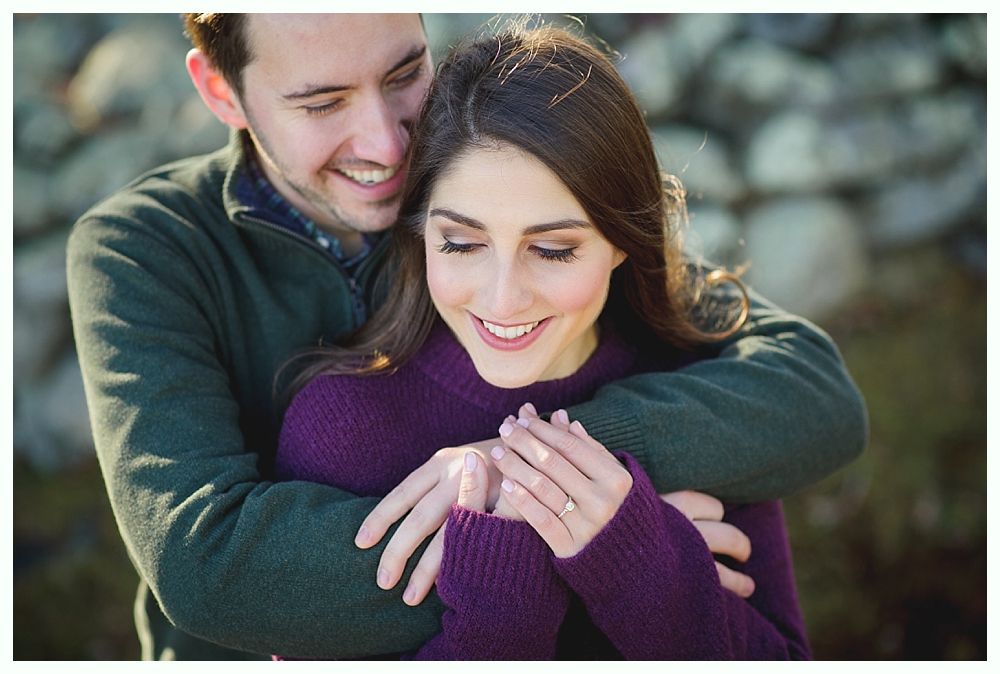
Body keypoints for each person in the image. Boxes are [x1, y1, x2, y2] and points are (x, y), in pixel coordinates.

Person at [66, 13, 866, 660]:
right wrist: (600, 543)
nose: (386, 145)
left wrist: (528, 461)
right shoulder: (141, 250)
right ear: (222, 91)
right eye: (321, 104)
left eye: (404, 73)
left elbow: (807, 387)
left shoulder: (483, 166)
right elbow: (209, 569)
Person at [274, 23, 813, 660]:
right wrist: (504, 604)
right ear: (421, 235)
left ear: (621, 241)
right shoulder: (343, 428)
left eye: (553, 250)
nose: (503, 299)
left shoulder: (695, 387)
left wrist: (642, 562)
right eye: (462, 243)